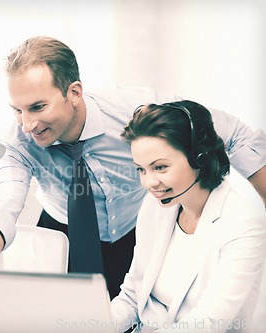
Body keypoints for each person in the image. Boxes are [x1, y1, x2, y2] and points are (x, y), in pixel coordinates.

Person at [0, 36, 266, 304]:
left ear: (74, 93)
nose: (27, 124)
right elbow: (1, 206)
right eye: (17, 110)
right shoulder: (17, 143)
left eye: (38, 107)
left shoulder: (134, 109)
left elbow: (235, 134)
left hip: (138, 227)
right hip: (65, 231)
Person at [108, 100, 266, 332]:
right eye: (141, 169)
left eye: (160, 167)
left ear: (199, 158)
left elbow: (208, 323)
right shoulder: (156, 206)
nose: (149, 182)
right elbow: (133, 296)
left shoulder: (243, 224)